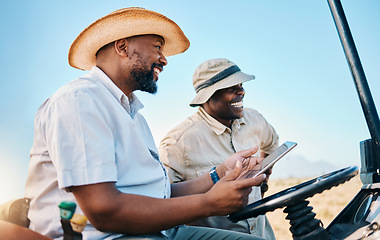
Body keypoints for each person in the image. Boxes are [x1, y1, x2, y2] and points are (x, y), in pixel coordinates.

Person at [24, 8, 269, 240]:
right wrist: (209, 204)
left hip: (160, 231)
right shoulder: (80, 101)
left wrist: (221, 173)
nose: (164, 60)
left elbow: (159, 195)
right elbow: (104, 211)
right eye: (157, 48)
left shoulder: (133, 115)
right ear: (123, 47)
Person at [159, 58, 279, 239]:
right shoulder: (178, 143)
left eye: (241, 85)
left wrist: (263, 179)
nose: (242, 92)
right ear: (207, 96)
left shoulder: (255, 119)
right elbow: (163, 199)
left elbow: (271, 145)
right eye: (232, 88)